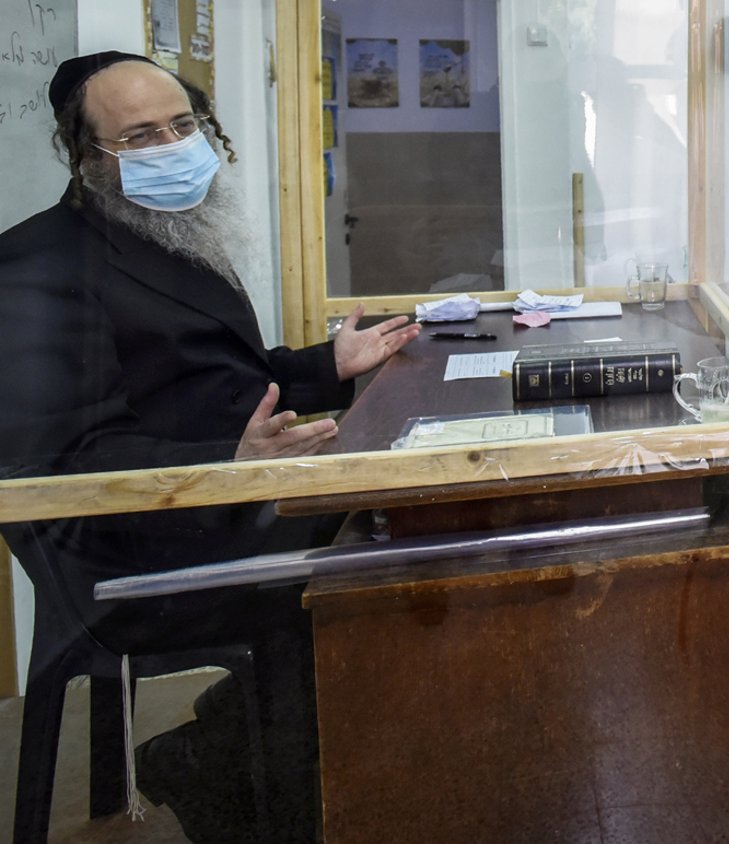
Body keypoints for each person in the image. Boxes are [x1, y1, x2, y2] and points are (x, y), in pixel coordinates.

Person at [0, 52, 419, 841]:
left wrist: (328, 365)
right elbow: (57, 459)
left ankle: (231, 753)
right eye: (141, 135)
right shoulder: (35, 266)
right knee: (365, 574)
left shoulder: (167, 233)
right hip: (135, 552)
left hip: (225, 505)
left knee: (401, 533)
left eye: (183, 125)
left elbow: (224, 380)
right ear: (86, 155)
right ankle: (241, 780)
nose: (173, 146)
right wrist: (223, 463)